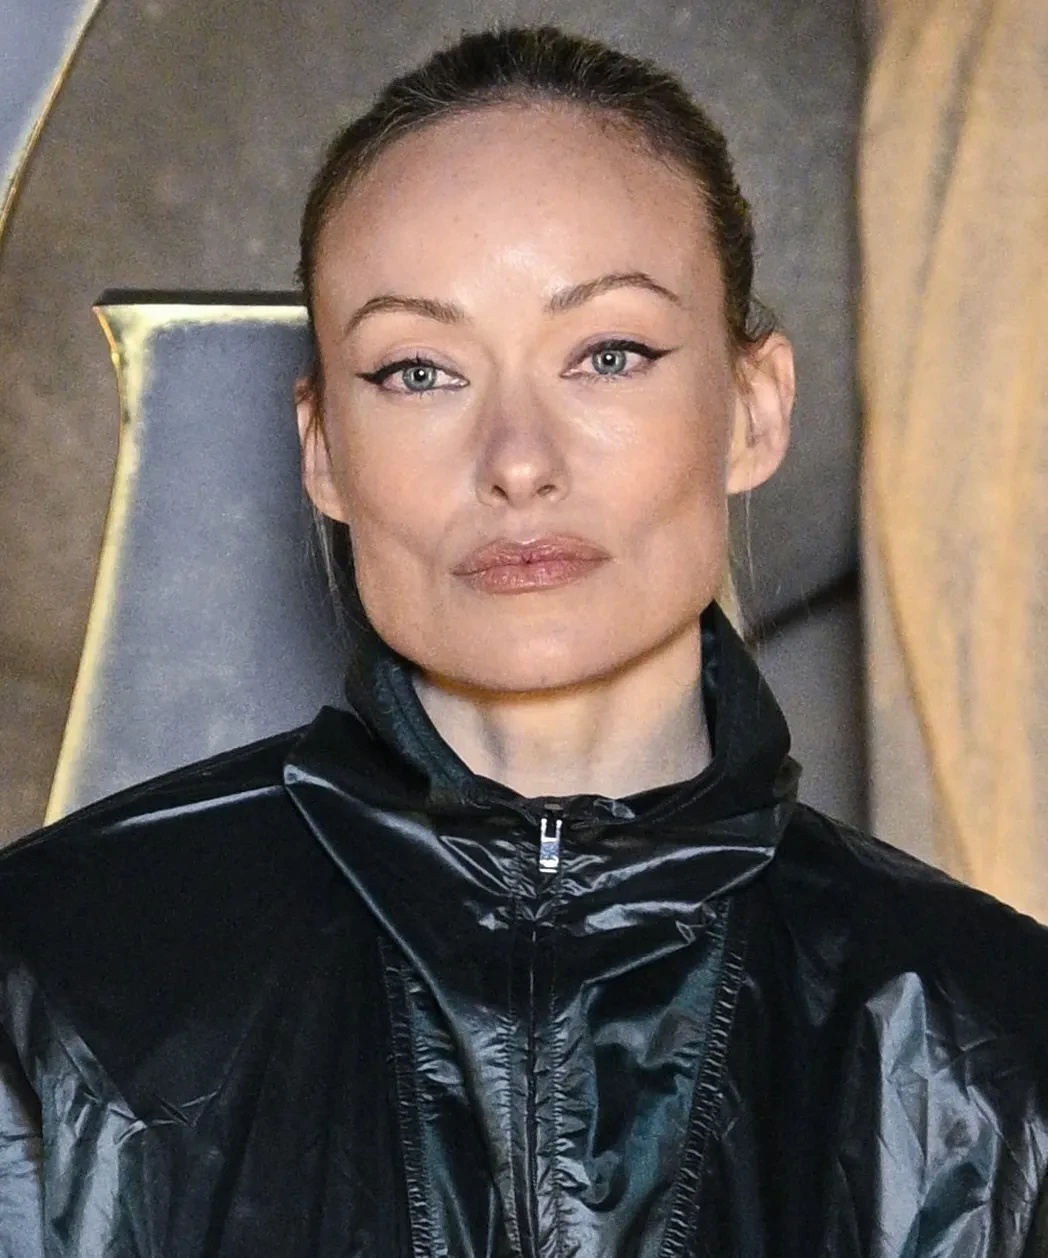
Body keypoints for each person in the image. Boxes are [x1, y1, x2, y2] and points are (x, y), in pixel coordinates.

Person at [2, 25, 1047, 1258]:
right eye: (418, 371)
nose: (516, 461)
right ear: (322, 449)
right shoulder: (50, 982)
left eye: (608, 354)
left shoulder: (994, 1046)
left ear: (753, 409)